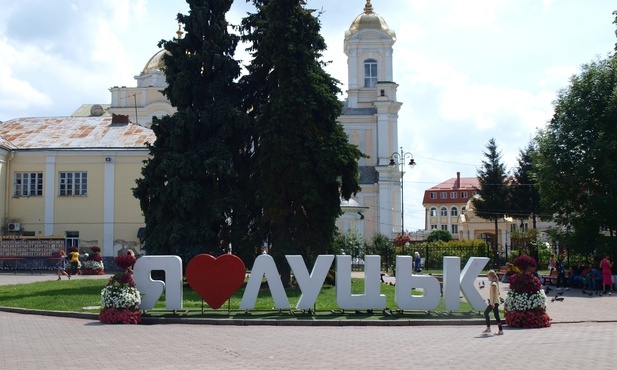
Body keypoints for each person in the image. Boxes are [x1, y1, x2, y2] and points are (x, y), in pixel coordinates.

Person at [482, 270, 503, 335]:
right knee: (491, 314)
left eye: (489, 276)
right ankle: (490, 328)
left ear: (491, 276)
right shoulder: (494, 283)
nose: (488, 277)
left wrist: (493, 303)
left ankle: (500, 330)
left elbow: (494, 294)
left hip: (494, 302)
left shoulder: (493, 284)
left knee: (490, 314)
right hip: (493, 302)